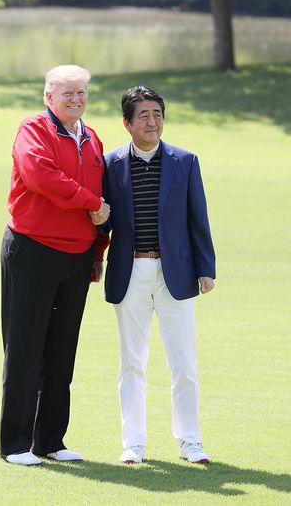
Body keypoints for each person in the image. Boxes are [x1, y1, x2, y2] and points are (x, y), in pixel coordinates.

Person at [0, 65, 110, 466]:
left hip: (77, 257)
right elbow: (41, 176)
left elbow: (105, 195)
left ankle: (49, 441)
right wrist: (91, 203)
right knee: (25, 347)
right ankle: (14, 443)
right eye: (67, 93)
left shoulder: (92, 138)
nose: (76, 100)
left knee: (62, 351)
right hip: (33, 250)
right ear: (49, 97)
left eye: (81, 93)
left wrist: (98, 251)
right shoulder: (33, 130)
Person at [100, 85, 215, 464]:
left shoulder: (185, 161)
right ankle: (133, 443)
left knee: (183, 362)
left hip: (176, 273)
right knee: (132, 362)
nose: (152, 121)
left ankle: (190, 441)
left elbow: (198, 218)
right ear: (127, 123)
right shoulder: (110, 164)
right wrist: (94, 254)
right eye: (144, 115)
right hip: (129, 270)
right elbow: (104, 222)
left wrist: (206, 269)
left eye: (157, 114)